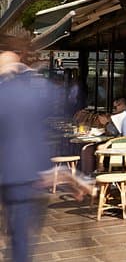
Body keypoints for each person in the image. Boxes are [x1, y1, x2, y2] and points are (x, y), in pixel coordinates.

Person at [0, 48, 57, 262]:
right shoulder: (33, 92)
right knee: (21, 234)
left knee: (15, 229)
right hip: (26, 172)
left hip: (7, 170)